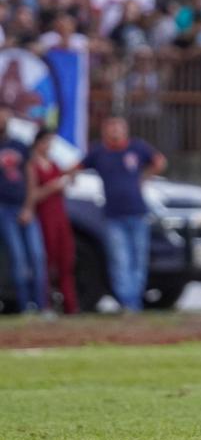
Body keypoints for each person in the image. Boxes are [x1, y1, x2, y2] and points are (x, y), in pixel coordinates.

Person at [80, 117, 166, 312]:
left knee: (138, 259)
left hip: (137, 213)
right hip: (113, 216)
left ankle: (134, 301)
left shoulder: (137, 148)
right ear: (104, 132)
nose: (115, 132)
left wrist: (144, 177)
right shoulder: (98, 152)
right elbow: (76, 167)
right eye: (111, 128)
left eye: (118, 128)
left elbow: (159, 161)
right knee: (120, 260)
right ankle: (127, 301)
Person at [0, 106, 49, 313]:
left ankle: (42, 306)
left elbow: (31, 177)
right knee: (18, 258)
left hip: (24, 206)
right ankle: (25, 307)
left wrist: (29, 206)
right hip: (3, 209)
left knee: (37, 256)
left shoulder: (19, 146)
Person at [28, 128, 77, 314]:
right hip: (44, 217)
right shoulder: (32, 165)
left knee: (66, 259)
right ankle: (45, 304)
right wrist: (52, 187)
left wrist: (69, 179)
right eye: (46, 142)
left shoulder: (55, 163)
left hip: (59, 216)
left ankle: (70, 305)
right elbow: (33, 195)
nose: (49, 146)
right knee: (47, 261)